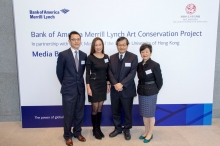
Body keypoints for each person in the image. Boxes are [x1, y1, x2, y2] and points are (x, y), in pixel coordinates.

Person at [56, 31, 87, 146]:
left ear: (80, 41)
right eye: (73, 39)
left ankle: (77, 133)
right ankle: (67, 136)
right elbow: (59, 73)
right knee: (68, 114)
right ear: (69, 41)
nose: (76, 41)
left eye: (78, 39)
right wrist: (66, 84)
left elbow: (82, 72)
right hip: (68, 90)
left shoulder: (84, 55)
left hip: (80, 90)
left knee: (79, 113)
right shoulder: (63, 54)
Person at [108, 37, 138, 140]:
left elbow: (132, 73)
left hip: (127, 89)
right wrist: (116, 84)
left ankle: (127, 129)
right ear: (117, 46)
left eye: (124, 45)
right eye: (119, 45)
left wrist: (122, 84)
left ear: (127, 45)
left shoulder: (133, 57)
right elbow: (109, 73)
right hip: (115, 89)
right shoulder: (112, 58)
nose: (121, 47)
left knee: (127, 111)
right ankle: (117, 128)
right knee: (115, 110)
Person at [137, 43, 163, 143]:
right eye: (142, 52)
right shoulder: (139, 65)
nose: (145, 54)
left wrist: (155, 90)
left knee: (150, 114)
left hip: (151, 92)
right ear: (140, 53)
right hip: (141, 91)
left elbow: (159, 81)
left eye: (147, 51)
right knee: (144, 114)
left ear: (150, 53)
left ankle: (150, 133)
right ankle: (146, 131)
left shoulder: (155, 65)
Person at [86, 37, 110, 140]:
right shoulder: (90, 57)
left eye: (100, 44)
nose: (98, 47)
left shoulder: (106, 56)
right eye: (96, 45)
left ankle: (98, 128)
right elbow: (87, 73)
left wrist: (108, 84)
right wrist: (88, 87)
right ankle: (94, 129)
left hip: (103, 85)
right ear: (93, 46)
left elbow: (108, 72)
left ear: (102, 45)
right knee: (95, 108)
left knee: (100, 108)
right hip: (93, 85)